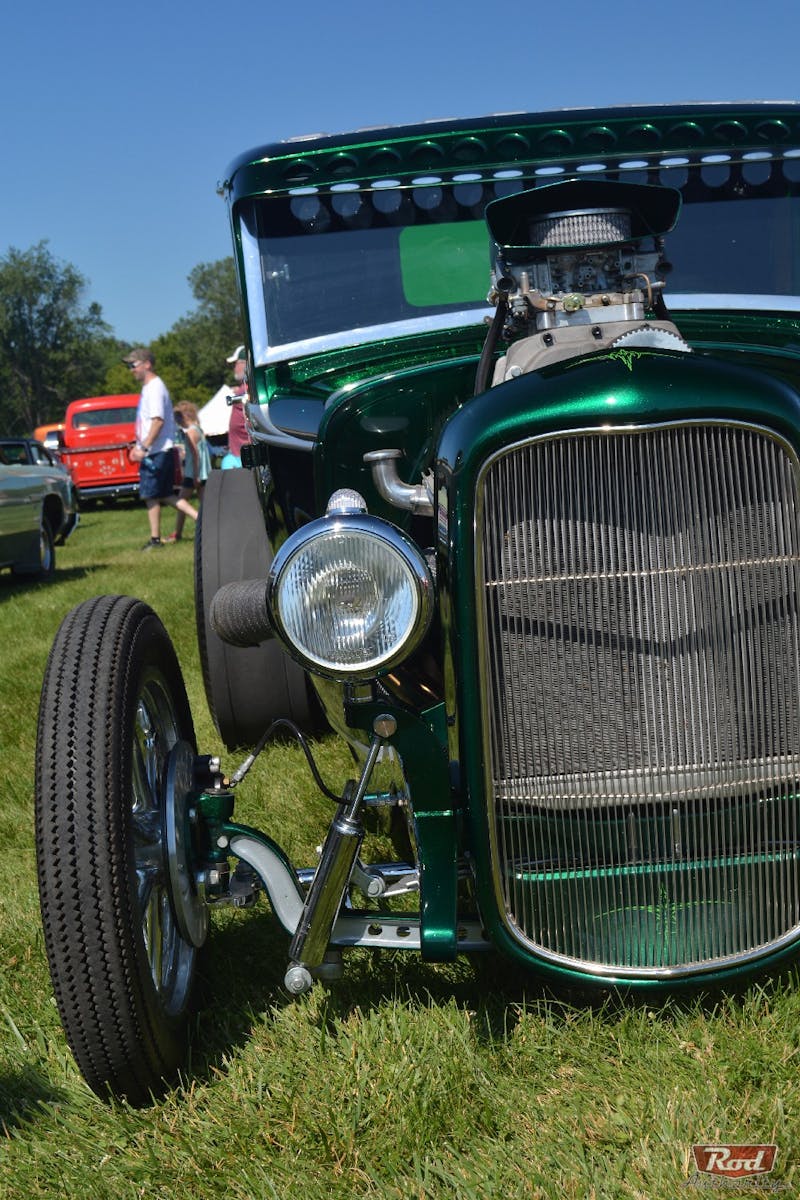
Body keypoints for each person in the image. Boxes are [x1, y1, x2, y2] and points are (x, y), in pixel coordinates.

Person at [123, 347, 198, 549]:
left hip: (156, 451)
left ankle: (198, 521)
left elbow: (157, 421)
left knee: (155, 494)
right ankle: (157, 538)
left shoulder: (155, 387)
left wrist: (143, 448)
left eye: (133, 365)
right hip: (155, 450)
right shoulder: (150, 388)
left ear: (147, 364)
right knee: (158, 494)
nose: (131, 370)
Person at [167, 401, 211, 541]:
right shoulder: (198, 429)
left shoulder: (190, 433)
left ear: (184, 417)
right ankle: (209, 530)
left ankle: (178, 533)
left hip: (193, 473)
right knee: (205, 504)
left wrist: (195, 475)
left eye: (178, 418)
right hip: (203, 472)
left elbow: (195, 454)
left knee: (181, 502)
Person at [222, 344, 249, 469]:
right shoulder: (244, 390)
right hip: (240, 454)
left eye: (235, 364)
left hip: (243, 456)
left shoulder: (247, 391)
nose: (234, 368)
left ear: (244, 364)